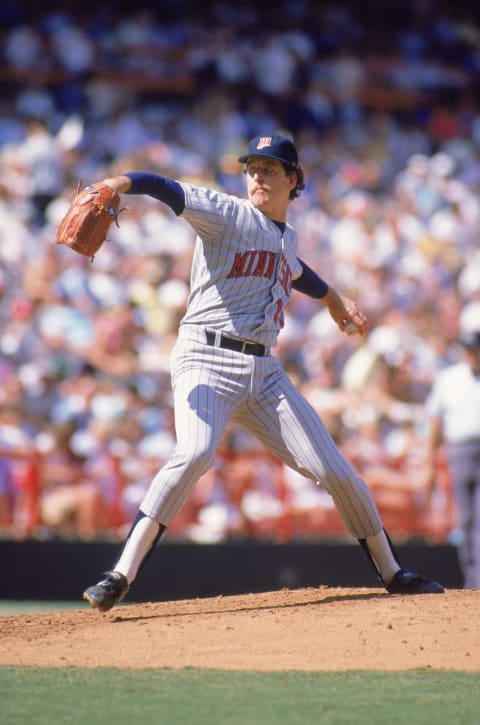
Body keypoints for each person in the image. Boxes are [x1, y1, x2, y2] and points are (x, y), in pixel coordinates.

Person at [83, 134, 444, 611]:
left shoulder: (287, 236)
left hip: (263, 370)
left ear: (293, 181)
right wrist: (117, 183)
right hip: (205, 358)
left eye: (270, 169)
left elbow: (294, 267)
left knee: (338, 473)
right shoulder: (225, 213)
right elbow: (163, 186)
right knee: (193, 453)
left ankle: (393, 572)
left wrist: (333, 298)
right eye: (252, 168)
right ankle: (119, 576)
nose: (258, 176)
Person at [425, 317, 480, 588]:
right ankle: (473, 582)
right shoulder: (450, 378)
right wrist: (429, 463)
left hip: (470, 448)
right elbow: (435, 424)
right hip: (459, 450)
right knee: (466, 519)